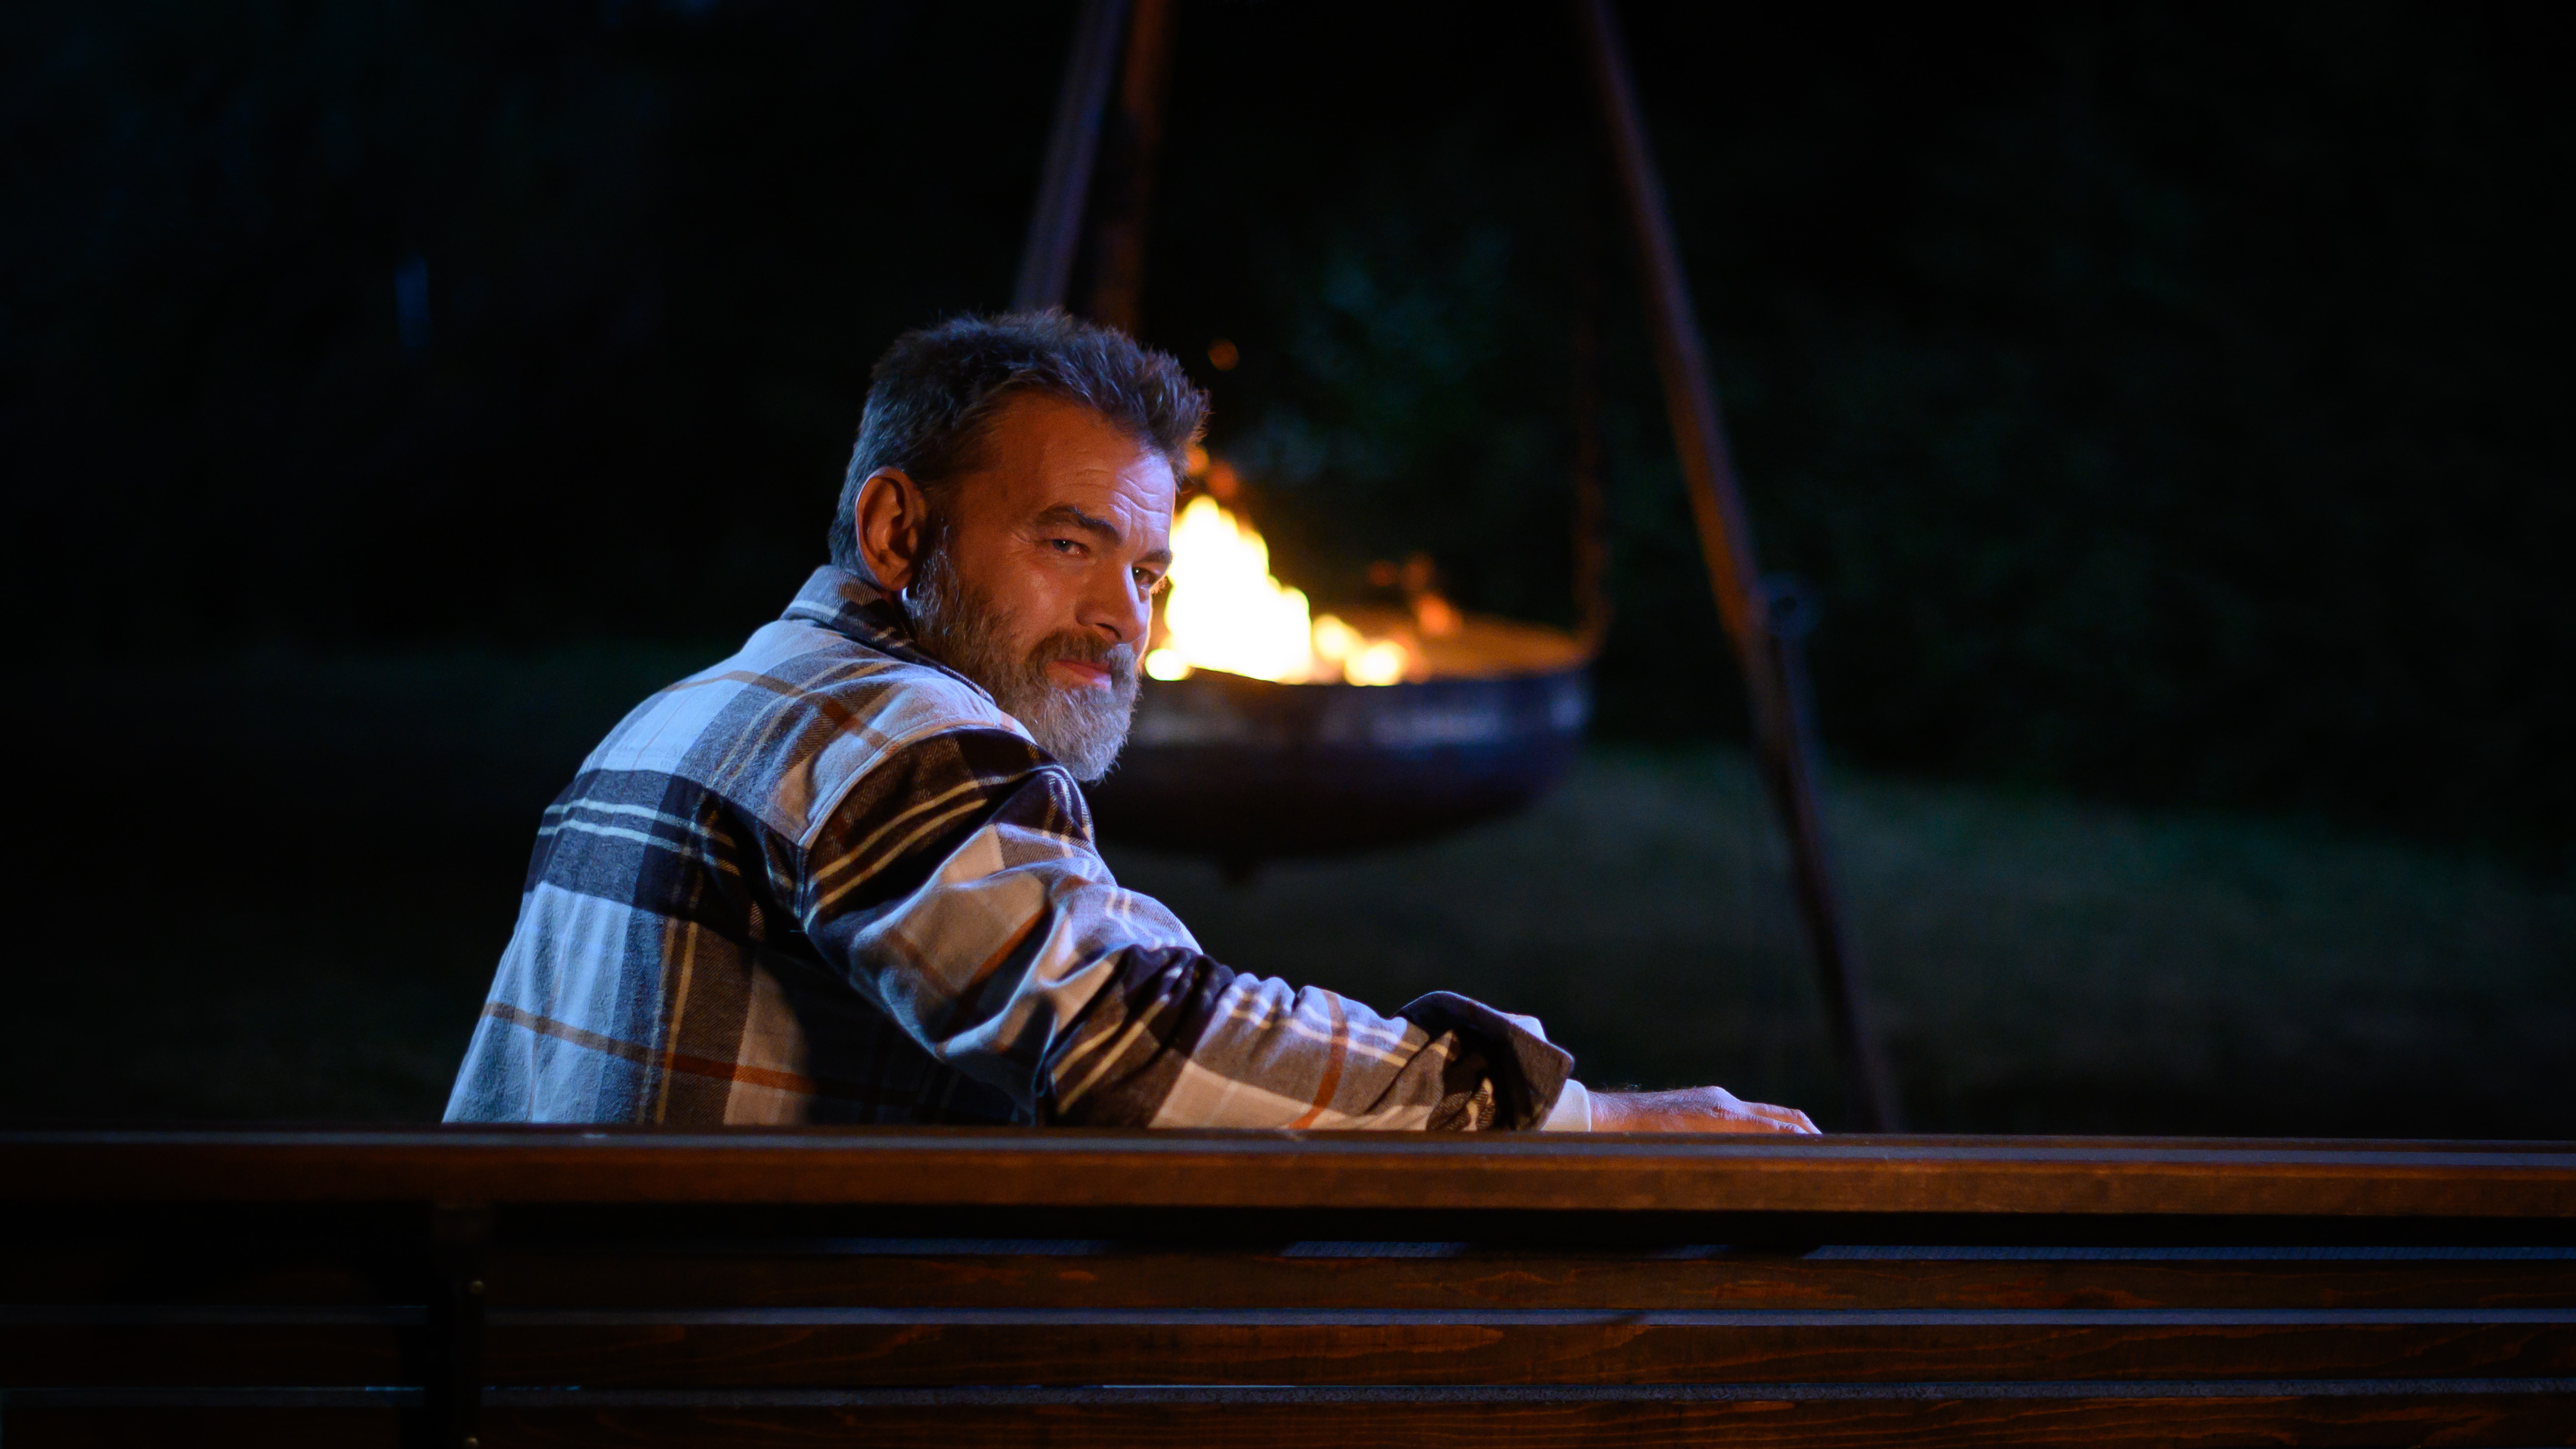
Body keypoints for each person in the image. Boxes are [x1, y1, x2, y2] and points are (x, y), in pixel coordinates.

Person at [444, 311, 1817, 1136]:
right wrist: (1566, 1114)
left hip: (529, 1353)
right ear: (897, 531)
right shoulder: (895, 735)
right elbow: (1126, 1035)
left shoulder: (679, 718)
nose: (1123, 619)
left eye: (1151, 573)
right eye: (1068, 543)